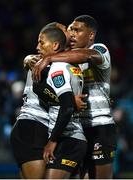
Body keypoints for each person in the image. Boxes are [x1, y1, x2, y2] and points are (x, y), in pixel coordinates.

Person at [32, 15, 117, 179]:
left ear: (91, 35)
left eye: (77, 30)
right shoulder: (67, 58)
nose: (72, 33)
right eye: (70, 29)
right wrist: (29, 58)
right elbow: (47, 44)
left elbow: (86, 56)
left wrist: (48, 58)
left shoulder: (100, 49)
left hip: (99, 127)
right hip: (76, 129)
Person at [33, 26, 87, 179]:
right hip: (73, 138)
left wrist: (52, 141)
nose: (37, 47)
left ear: (55, 45)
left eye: (41, 43)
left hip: (68, 138)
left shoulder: (57, 68)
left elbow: (68, 107)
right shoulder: (71, 65)